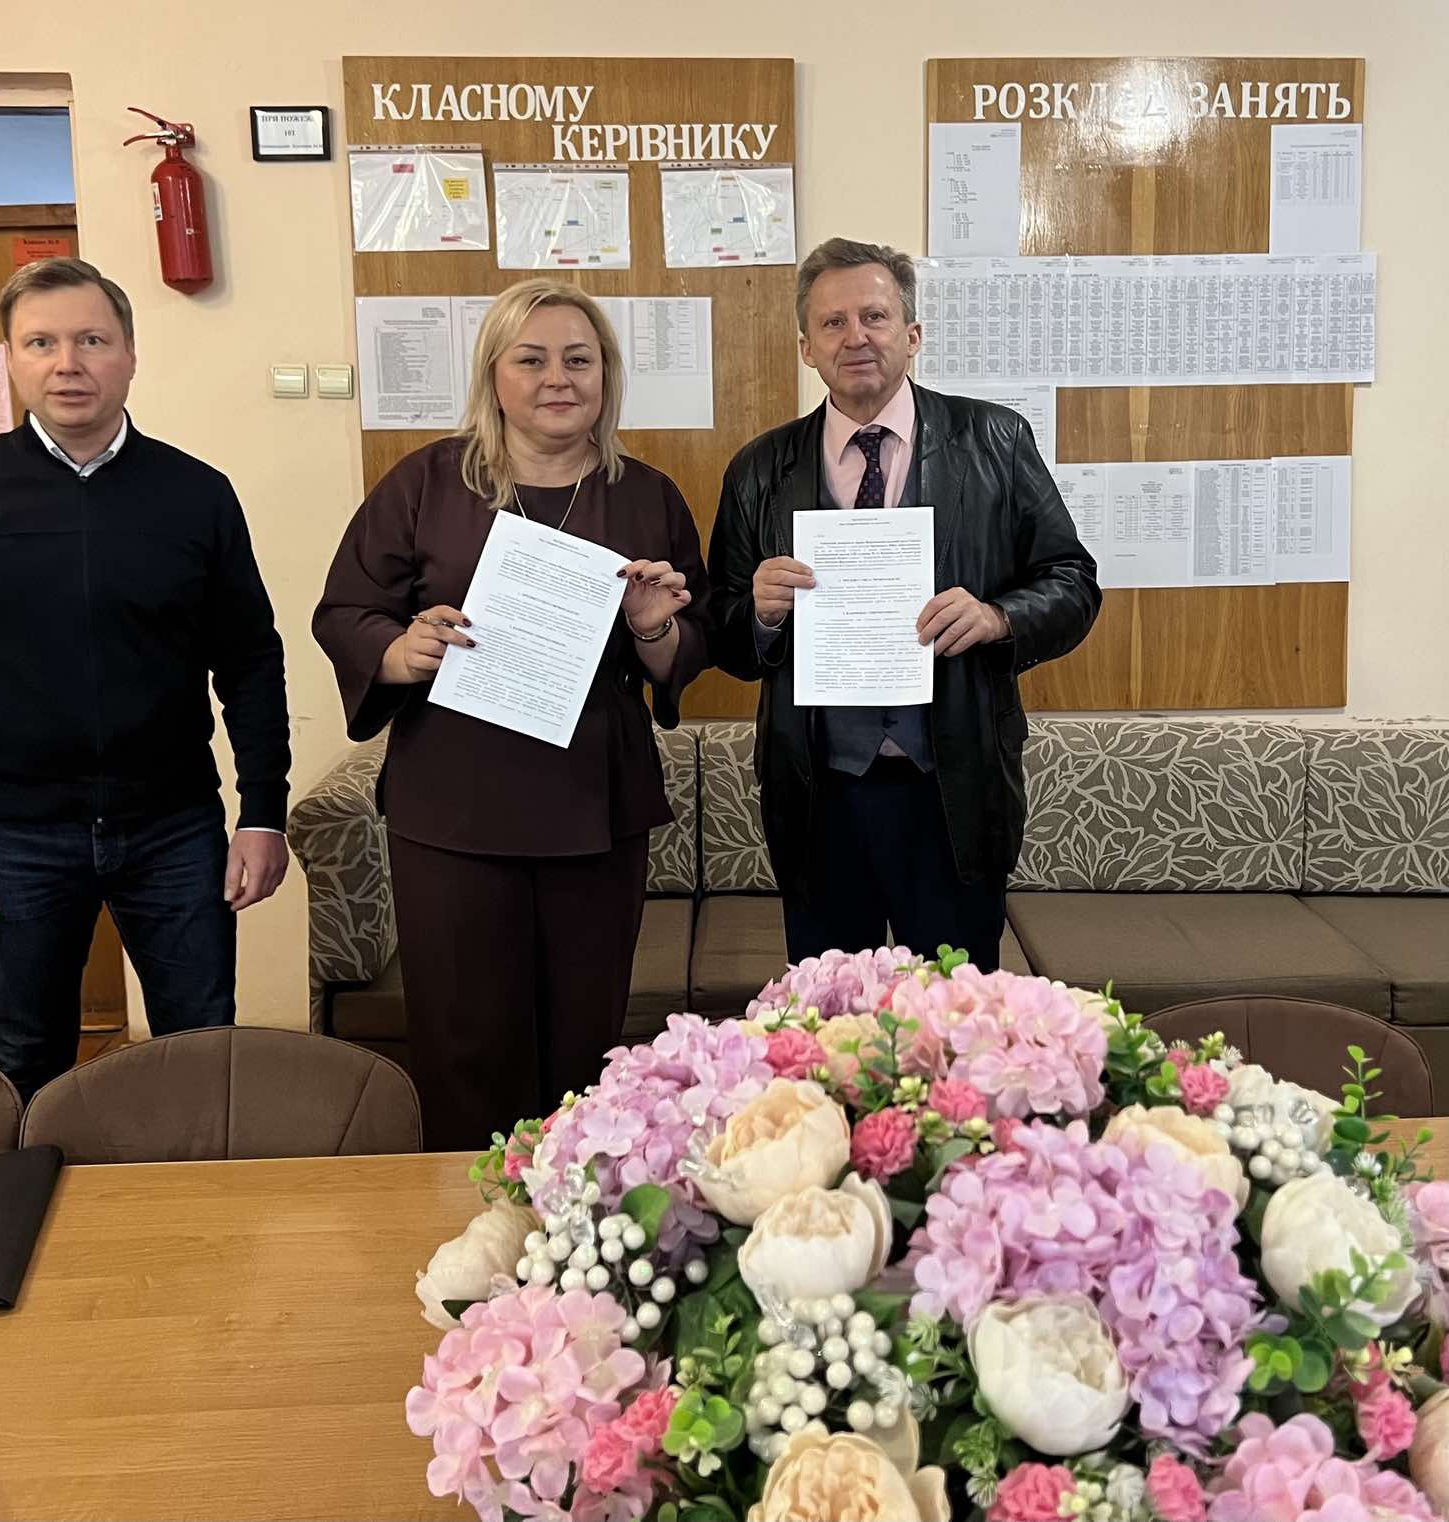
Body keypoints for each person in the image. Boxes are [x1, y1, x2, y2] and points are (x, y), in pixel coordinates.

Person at [0, 257, 291, 1100]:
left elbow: (250, 660)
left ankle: (196, 1192)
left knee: (202, 1053)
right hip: (10, 834)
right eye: (42, 343)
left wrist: (262, 813)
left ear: (129, 355)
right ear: (11, 358)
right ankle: (41, 1191)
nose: (68, 364)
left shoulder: (197, 494)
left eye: (92, 341)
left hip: (173, 828)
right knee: (25, 1060)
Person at [314, 277, 710, 1151]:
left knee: (585, 1041)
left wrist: (654, 627)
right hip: (452, 810)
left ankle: (574, 1210)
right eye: (531, 360)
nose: (556, 378)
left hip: (594, 808)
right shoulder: (424, 483)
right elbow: (344, 611)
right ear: (494, 375)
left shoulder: (646, 494)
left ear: (606, 375)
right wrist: (400, 651)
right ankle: (460, 1213)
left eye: (579, 359)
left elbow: (687, 646)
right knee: (463, 1042)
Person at [709, 237, 1100, 970]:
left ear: (912, 334)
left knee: (955, 1018)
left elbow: (1073, 581)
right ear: (806, 348)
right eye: (833, 323)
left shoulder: (995, 440)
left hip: (953, 786)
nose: (855, 336)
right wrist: (757, 614)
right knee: (830, 1019)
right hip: (818, 794)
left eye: (875, 316)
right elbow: (721, 632)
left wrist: (998, 617)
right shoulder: (759, 468)